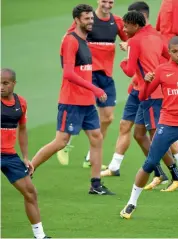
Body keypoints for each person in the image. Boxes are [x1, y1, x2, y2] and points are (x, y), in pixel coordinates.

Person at [101, 2, 178, 185]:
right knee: (138, 133)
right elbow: (169, 58)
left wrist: (122, 62)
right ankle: (159, 173)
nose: (124, 30)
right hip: (139, 92)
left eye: (126, 26)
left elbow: (129, 70)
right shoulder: (156, 36)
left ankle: (177, 175)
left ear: (135, 24)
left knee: (156, 136)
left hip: (150, 93)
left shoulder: (134, 41)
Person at [120, 36, 178, 220]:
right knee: (150, 163)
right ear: (169, 52)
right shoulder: (161, 70)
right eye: (175, 51)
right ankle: (131, 203)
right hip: (168, 124)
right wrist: (145, 81)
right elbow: (144, 96)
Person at [31, 4, 114, 195]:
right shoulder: (71, 41)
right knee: (61, 141)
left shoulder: (84, 40)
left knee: (96, 137)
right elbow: (68, 73)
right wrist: (95, 88)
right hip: (71, 101)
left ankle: (96, 184)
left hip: (87, 103)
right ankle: (28, 170)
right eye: (86, 19)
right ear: (76, 20)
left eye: (92, 18)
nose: (91, 21)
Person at [57, 0, 128, 169]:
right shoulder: (87, 20)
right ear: (98, 1)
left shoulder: (117, 22)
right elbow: (67, 40)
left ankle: (90, 155)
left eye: (111, 2)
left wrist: (127, 44)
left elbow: (130, 39)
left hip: (106, 74)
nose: (107, 5)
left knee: (108, 117)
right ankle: (65, 143)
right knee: (84, 111)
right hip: (87, 75)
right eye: (104, 1)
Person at [1, 68, 50, 239]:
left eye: (5, 83)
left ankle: (40, 235)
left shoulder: (20, 103)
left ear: (14, 83)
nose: (1, 87)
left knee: (30, 192)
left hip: (9, 156)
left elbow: (22, 130)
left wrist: (26, 157)